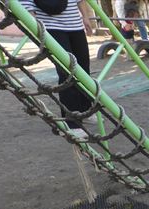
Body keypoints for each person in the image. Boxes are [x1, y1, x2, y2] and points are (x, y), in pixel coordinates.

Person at [20, 0, 94, 136]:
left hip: (75, 26)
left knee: (83, 69)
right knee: (66, 72)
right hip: (52, 27)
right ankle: (71, 122)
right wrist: (36, 26)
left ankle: (85, 110)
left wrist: (85, 17)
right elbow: (26, 3)